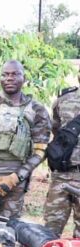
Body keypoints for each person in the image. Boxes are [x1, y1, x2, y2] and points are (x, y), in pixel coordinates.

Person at [0, 60, 51, 232]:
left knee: (7, 234)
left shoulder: (37, 110)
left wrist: (16, 177)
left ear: (24, 78)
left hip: (15, 184)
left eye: (15, 74)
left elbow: (40, 150)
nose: (9, 78)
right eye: (5, 74)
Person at [45, 72, 80, 237]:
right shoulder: (64, 100)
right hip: (62, 175)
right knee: (49, 232)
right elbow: (57, 131)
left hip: (66, 173)